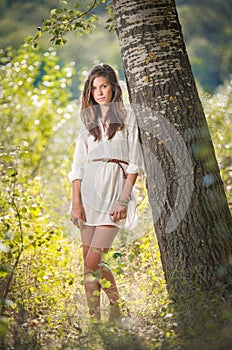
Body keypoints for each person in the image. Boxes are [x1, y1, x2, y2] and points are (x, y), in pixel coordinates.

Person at [68, 64, 144, 322]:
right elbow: (77, 166)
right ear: (89, 92)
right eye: (94, 88)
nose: (99, 92)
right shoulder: (88, 119)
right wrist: (75, 202)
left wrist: (124, 199)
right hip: (88, 193)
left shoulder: (128, 116)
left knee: (93, 262)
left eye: (104, 86)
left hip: (115, 193)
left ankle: (117, 304)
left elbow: (135, 162)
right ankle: (96, 322)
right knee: (89, 264)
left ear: (113, 87)